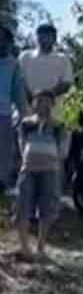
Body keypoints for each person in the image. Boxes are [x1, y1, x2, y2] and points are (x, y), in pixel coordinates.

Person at [15, 92, 65, 258]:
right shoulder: (26, 123)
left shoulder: (59, 125)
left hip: (50, 170)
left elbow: (62, 149)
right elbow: (21, 144)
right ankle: (24, 247)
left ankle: (41, 247)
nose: (44, 104)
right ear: (34, 103)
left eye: (48, 101)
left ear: (52, 104)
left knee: (46, 208)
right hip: (28, 169)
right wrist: (27, 161)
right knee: (23, 205)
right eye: (40, 101)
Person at [18, 23, 73, 110]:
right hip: (27, 108)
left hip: (53, 110)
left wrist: (45, 98)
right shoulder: (25, 56)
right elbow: (19, 81)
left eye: (48, 35)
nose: (44, 38)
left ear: (54, 38)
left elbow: (66, 84)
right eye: (41, 35)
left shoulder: (63, 59)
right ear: (37, 37)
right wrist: (31, 98)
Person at [0, 26, 28, 192]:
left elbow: (18, 92)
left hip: (3, 113)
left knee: (4, 151)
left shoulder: (13, 64)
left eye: (4, 40)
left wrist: (26, 115)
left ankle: (1, 182)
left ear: (9, 43)